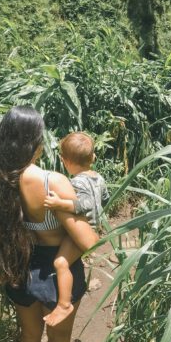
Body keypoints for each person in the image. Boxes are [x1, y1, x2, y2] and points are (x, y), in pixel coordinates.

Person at [0, 106, 99, 342]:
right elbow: (88, 241)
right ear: (35, 142)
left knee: (30, 336)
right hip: (54, 273)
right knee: (58, 339)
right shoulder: (51, 182)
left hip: (18, 265)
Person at [41, 132, 109, 326]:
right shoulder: (98, 178)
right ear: (93, 158)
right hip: (94, 227)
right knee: (66, 261)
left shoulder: (77, 182)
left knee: (61, 263)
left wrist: (60, 204)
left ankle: (64, 304)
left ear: (65, 161)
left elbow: (85, 203)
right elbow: (103, 199)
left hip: (84, 229)